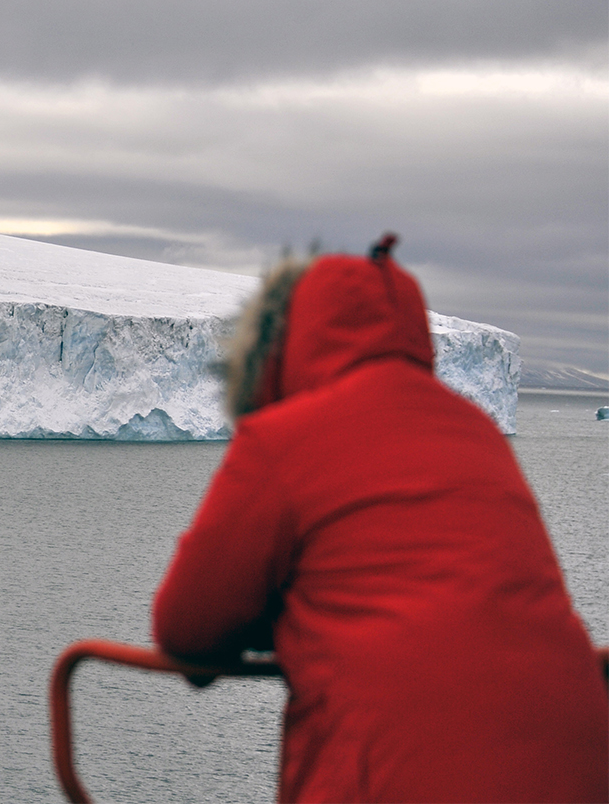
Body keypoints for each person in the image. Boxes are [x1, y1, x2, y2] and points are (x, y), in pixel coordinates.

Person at [151, 235, 608, 803]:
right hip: (576, 765)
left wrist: (280, 616)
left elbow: (186, 627)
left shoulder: (287, 438)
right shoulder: (476, 432)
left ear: (288, 342)